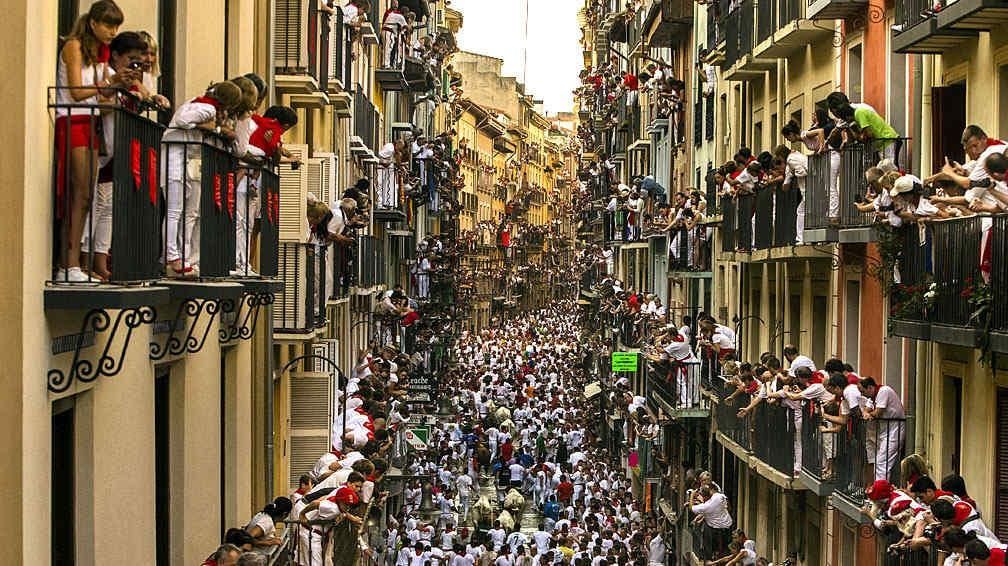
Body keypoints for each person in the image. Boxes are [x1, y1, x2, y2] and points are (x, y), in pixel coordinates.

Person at [54, 0, 125, 282]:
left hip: (90, 123)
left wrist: (118, 85)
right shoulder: (73, 47)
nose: (112, 31)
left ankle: (74, 265)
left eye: (116, 26)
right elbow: (75, 92)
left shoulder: (99, 56)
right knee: (78, 193)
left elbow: (102, 100)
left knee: (85, 197)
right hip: (72, 121)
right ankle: (67, 264)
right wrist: (108, 84)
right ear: (93, 22)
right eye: (108, 24)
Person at [162, 81, 243, 276]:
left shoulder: (203, 105)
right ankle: (172, 256)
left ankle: (183, 256)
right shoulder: (206, 108)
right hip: (176, 158)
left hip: (188, 160)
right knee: (175, 211)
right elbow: (182, 120)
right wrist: (212, 128)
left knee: (188, 213)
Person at [858, 377, 906, 481]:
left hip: (894, 428)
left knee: (882, 461)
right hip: (885, 428)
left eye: (863, 391)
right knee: (880, 461)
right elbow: (867, 409)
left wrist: (869, 415)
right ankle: (880, 487)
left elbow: (879, 411)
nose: (862, 394)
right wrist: (866, 413)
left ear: (870, 388)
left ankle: (881, 490)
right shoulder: (873, 396)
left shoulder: (884, 391)